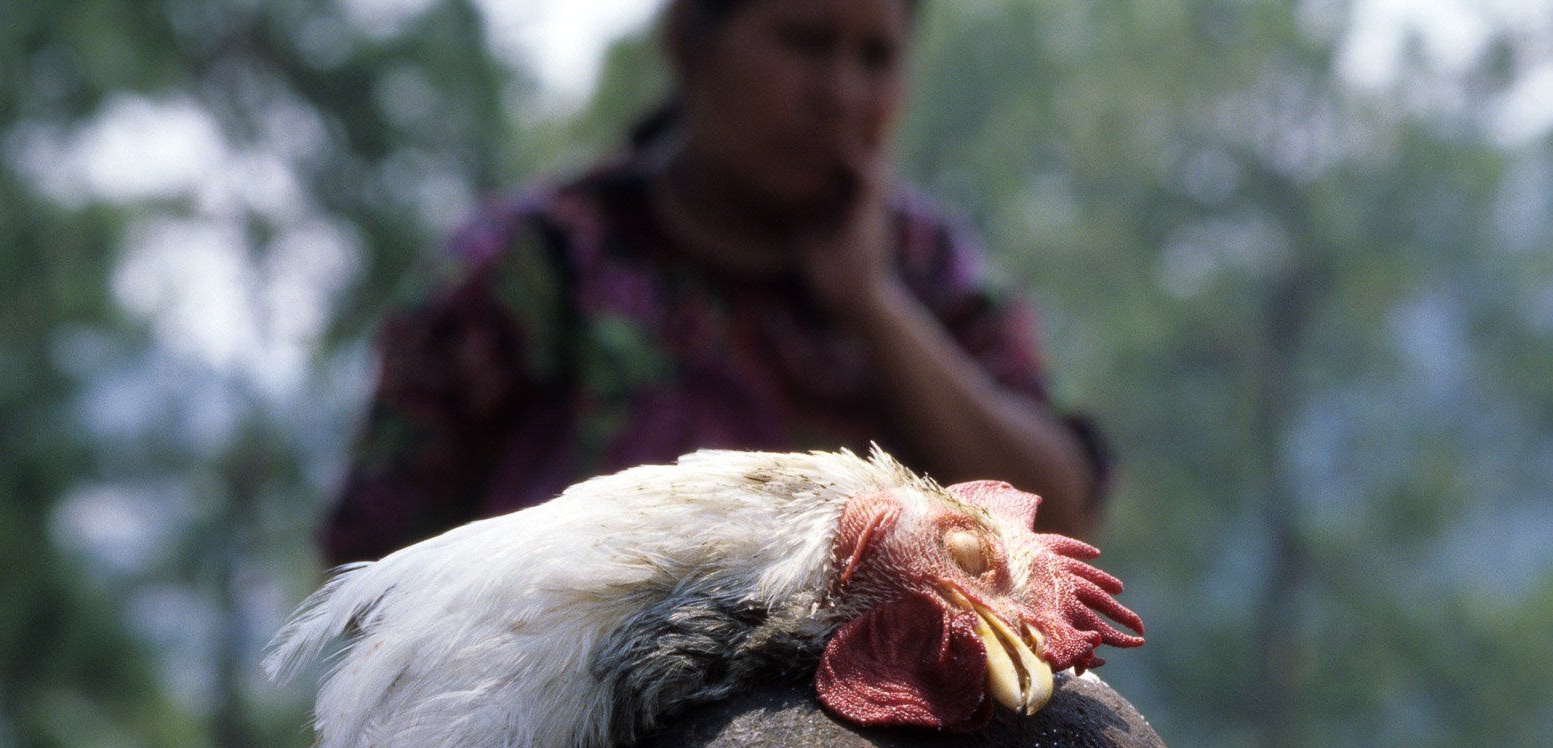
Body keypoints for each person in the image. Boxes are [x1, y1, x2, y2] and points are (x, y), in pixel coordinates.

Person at [320, 0, 1110, 566]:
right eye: (803, 40)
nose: (839, 94)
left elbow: (1058, 517)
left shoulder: (923, 267)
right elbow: (375, 572)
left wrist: (874, 308)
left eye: (874, 56)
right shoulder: (534, 268)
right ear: (691, 42)